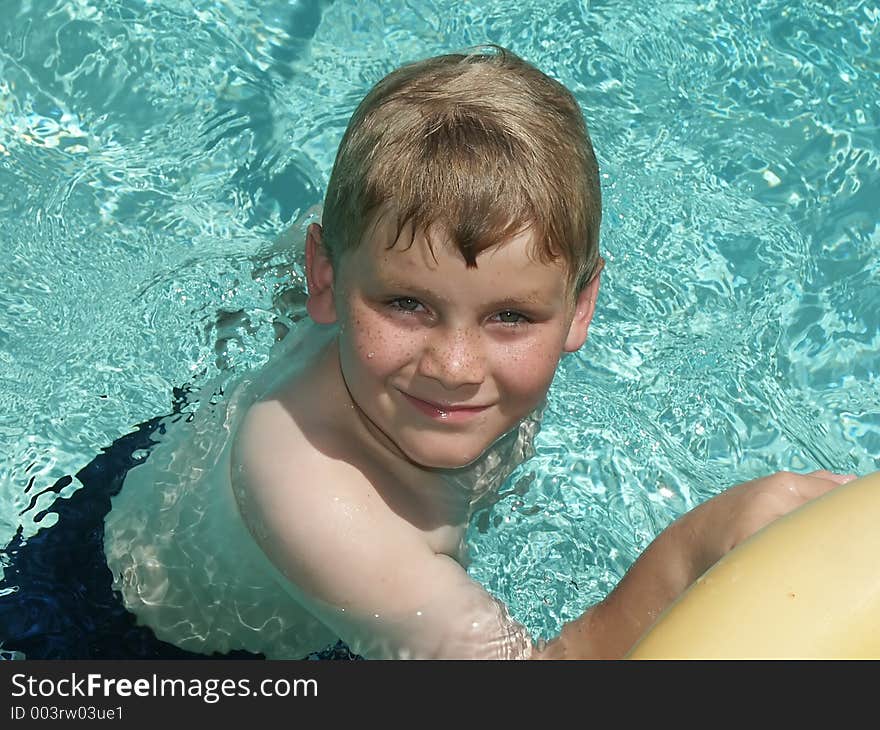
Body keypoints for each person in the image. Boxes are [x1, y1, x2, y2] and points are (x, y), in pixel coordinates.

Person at [104, 45, 856, 660]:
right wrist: (702, 545)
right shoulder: (316, 495)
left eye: (510, 317)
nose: (456, 367)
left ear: (579, 307)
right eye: (408, 304)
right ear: (325, 277)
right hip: (137, 647)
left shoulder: (382, 301)